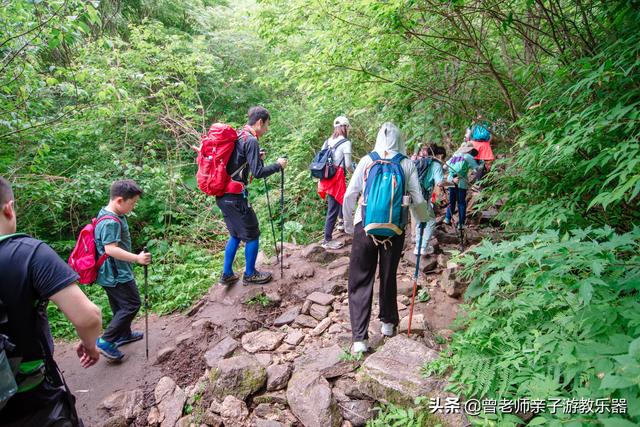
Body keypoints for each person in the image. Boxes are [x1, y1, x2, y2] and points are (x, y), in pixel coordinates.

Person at [0, 176, 102, 426]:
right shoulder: (28, 252)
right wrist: (90, 346)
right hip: (31, 398)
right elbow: (88, 317)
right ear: (8, 208)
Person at [343, 123, 429, 353]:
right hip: (395, 229)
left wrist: (350, 225)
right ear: (400, 140)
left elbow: (350, 195)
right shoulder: (406, 163)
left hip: (365, 226)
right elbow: (417, 199)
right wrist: (422, 221)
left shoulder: (366, 160)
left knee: (360, 279)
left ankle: (360, 339)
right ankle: (388, 324)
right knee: (388, 276)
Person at [217, 106, 288, 286]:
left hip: (223, 196)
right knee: (253, 234)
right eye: (267, 125)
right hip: (235, 198)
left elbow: (237, 162)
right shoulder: (251, 141)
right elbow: (258, 172)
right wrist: (278, 165)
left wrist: (255, 157)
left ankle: (227, 274)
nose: (267, 129)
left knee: (235, 234)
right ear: (259, 122)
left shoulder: (240, 136)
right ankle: (250, 273)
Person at [94, 180, 151, 361]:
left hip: (109, 273)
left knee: (119, 305)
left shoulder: (108, 214)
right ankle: (106, 341)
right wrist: (137, 258)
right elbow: (110, 249)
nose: (133, 207)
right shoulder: (111, 222)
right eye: (132, 203)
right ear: (119, 200)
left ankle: (123, 334)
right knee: (132, 304)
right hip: (116, 274)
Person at [317, 116, 354, 250]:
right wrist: (354, 173)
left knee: (340, 200)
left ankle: (341, 223)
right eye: (347, 127)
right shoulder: (345, 143)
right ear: (345, 127)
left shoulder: (328, 141)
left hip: (326, 177)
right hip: (336, 178)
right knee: (333, 208)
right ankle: (327, 239)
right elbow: (348, 165)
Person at [414, 144, 446, 255]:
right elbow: (440, 182)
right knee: (431, 221)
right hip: (423, 197)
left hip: (412, 196)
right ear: (440, 155)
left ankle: (418, 247)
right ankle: (423, 247)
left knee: (419, 221)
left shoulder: (421, 161)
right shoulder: (436, 165)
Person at [444, 145, 481, 229]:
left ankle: (447, 218)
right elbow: (477, 169)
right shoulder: (468, 156)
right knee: (461, 203)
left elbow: (445, 167)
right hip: (461, 181)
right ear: (470, 150)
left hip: (451, 180)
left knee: (451, 201)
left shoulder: (455, 155)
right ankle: (461, 224)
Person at [466, 117, 495, 181]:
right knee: (487, 163)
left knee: (476, 163)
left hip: (474, 144)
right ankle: (486, 179)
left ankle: (477, 178)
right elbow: (491, 135)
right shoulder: (487, 125)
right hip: (485, 145)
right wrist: (487, 142)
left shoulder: (473, 126)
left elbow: (468, 136)